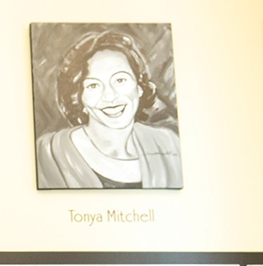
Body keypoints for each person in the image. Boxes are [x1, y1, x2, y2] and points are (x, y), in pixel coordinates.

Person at [36, 31, 182, 189]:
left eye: (120, 80)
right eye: (93, 85)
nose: (110, 96)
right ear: (78, 97)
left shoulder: (169, 144)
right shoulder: (48, 153)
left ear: (139, 87)